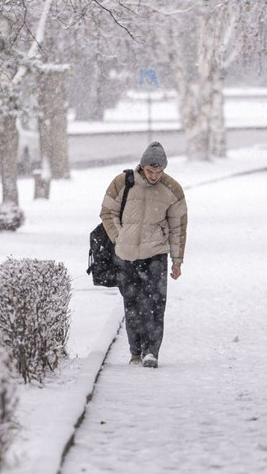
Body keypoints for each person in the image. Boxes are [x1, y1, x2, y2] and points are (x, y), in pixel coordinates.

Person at [99, 141, 188, 368]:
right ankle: (135, 351)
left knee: (156, 304)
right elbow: (107, 212)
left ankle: (151, 352)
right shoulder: (123, 183)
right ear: (142, 166)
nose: (155, 176)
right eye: (151, 171)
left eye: (159, 171)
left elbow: (178, 227)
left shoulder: (172, 189)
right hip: (126, 254)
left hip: (156, 253)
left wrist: (177, 261)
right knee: (133, 303)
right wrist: (119, 237)